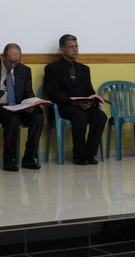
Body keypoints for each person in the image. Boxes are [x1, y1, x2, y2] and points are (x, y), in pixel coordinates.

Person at [0, 43, 43, 171]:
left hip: (18, 107)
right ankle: (9, 160)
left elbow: (28, 93)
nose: (13, 65)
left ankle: (29, 158)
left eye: (17, 61)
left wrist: (30, 104)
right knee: (12, 119)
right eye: (10, 61)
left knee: (38, 117)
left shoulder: (24, 70)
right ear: (2, 56)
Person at [43, 34, 106, 165]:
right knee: (80, 116)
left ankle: (90, 153)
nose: (75, 50)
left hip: (82, 105)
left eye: (76, 46)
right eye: (71, 47)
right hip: (64, 106)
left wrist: (91, 101)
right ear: (62, 50)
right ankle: (79, 155)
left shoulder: (84, 69)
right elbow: (53, 92)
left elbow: (89, 91)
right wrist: (72, 102)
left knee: (100, 116)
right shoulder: (52, 68)